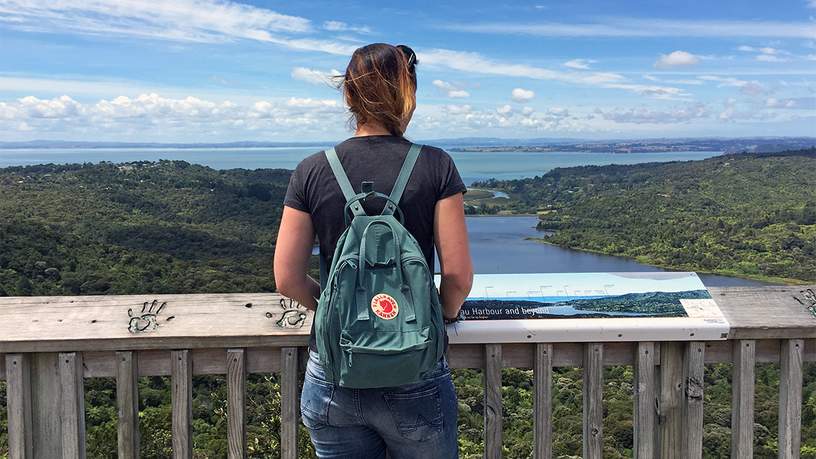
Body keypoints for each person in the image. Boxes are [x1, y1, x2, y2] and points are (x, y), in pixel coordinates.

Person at [273, 43, 473, 458]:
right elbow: (457, 276)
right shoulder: (436, 165)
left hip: (333, 373)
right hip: (415, 369)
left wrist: (334, 308)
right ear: (409, 94)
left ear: (348, 94)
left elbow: (287, 278)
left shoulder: (312, 169)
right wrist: (438, 315)